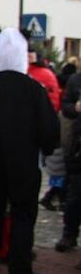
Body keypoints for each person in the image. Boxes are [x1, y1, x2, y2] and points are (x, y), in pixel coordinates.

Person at [0, 28, 58, 274]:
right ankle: (19, 267)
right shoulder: (34, 89)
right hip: (23, 161)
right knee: (23, 211)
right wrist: (47, 148)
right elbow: (49, 130)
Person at [57, 69, 81, 254]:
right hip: (78, 146)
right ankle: (69, 234)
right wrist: (75, 107)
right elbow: (65, 106)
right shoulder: (75, 79)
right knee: (74, 196)